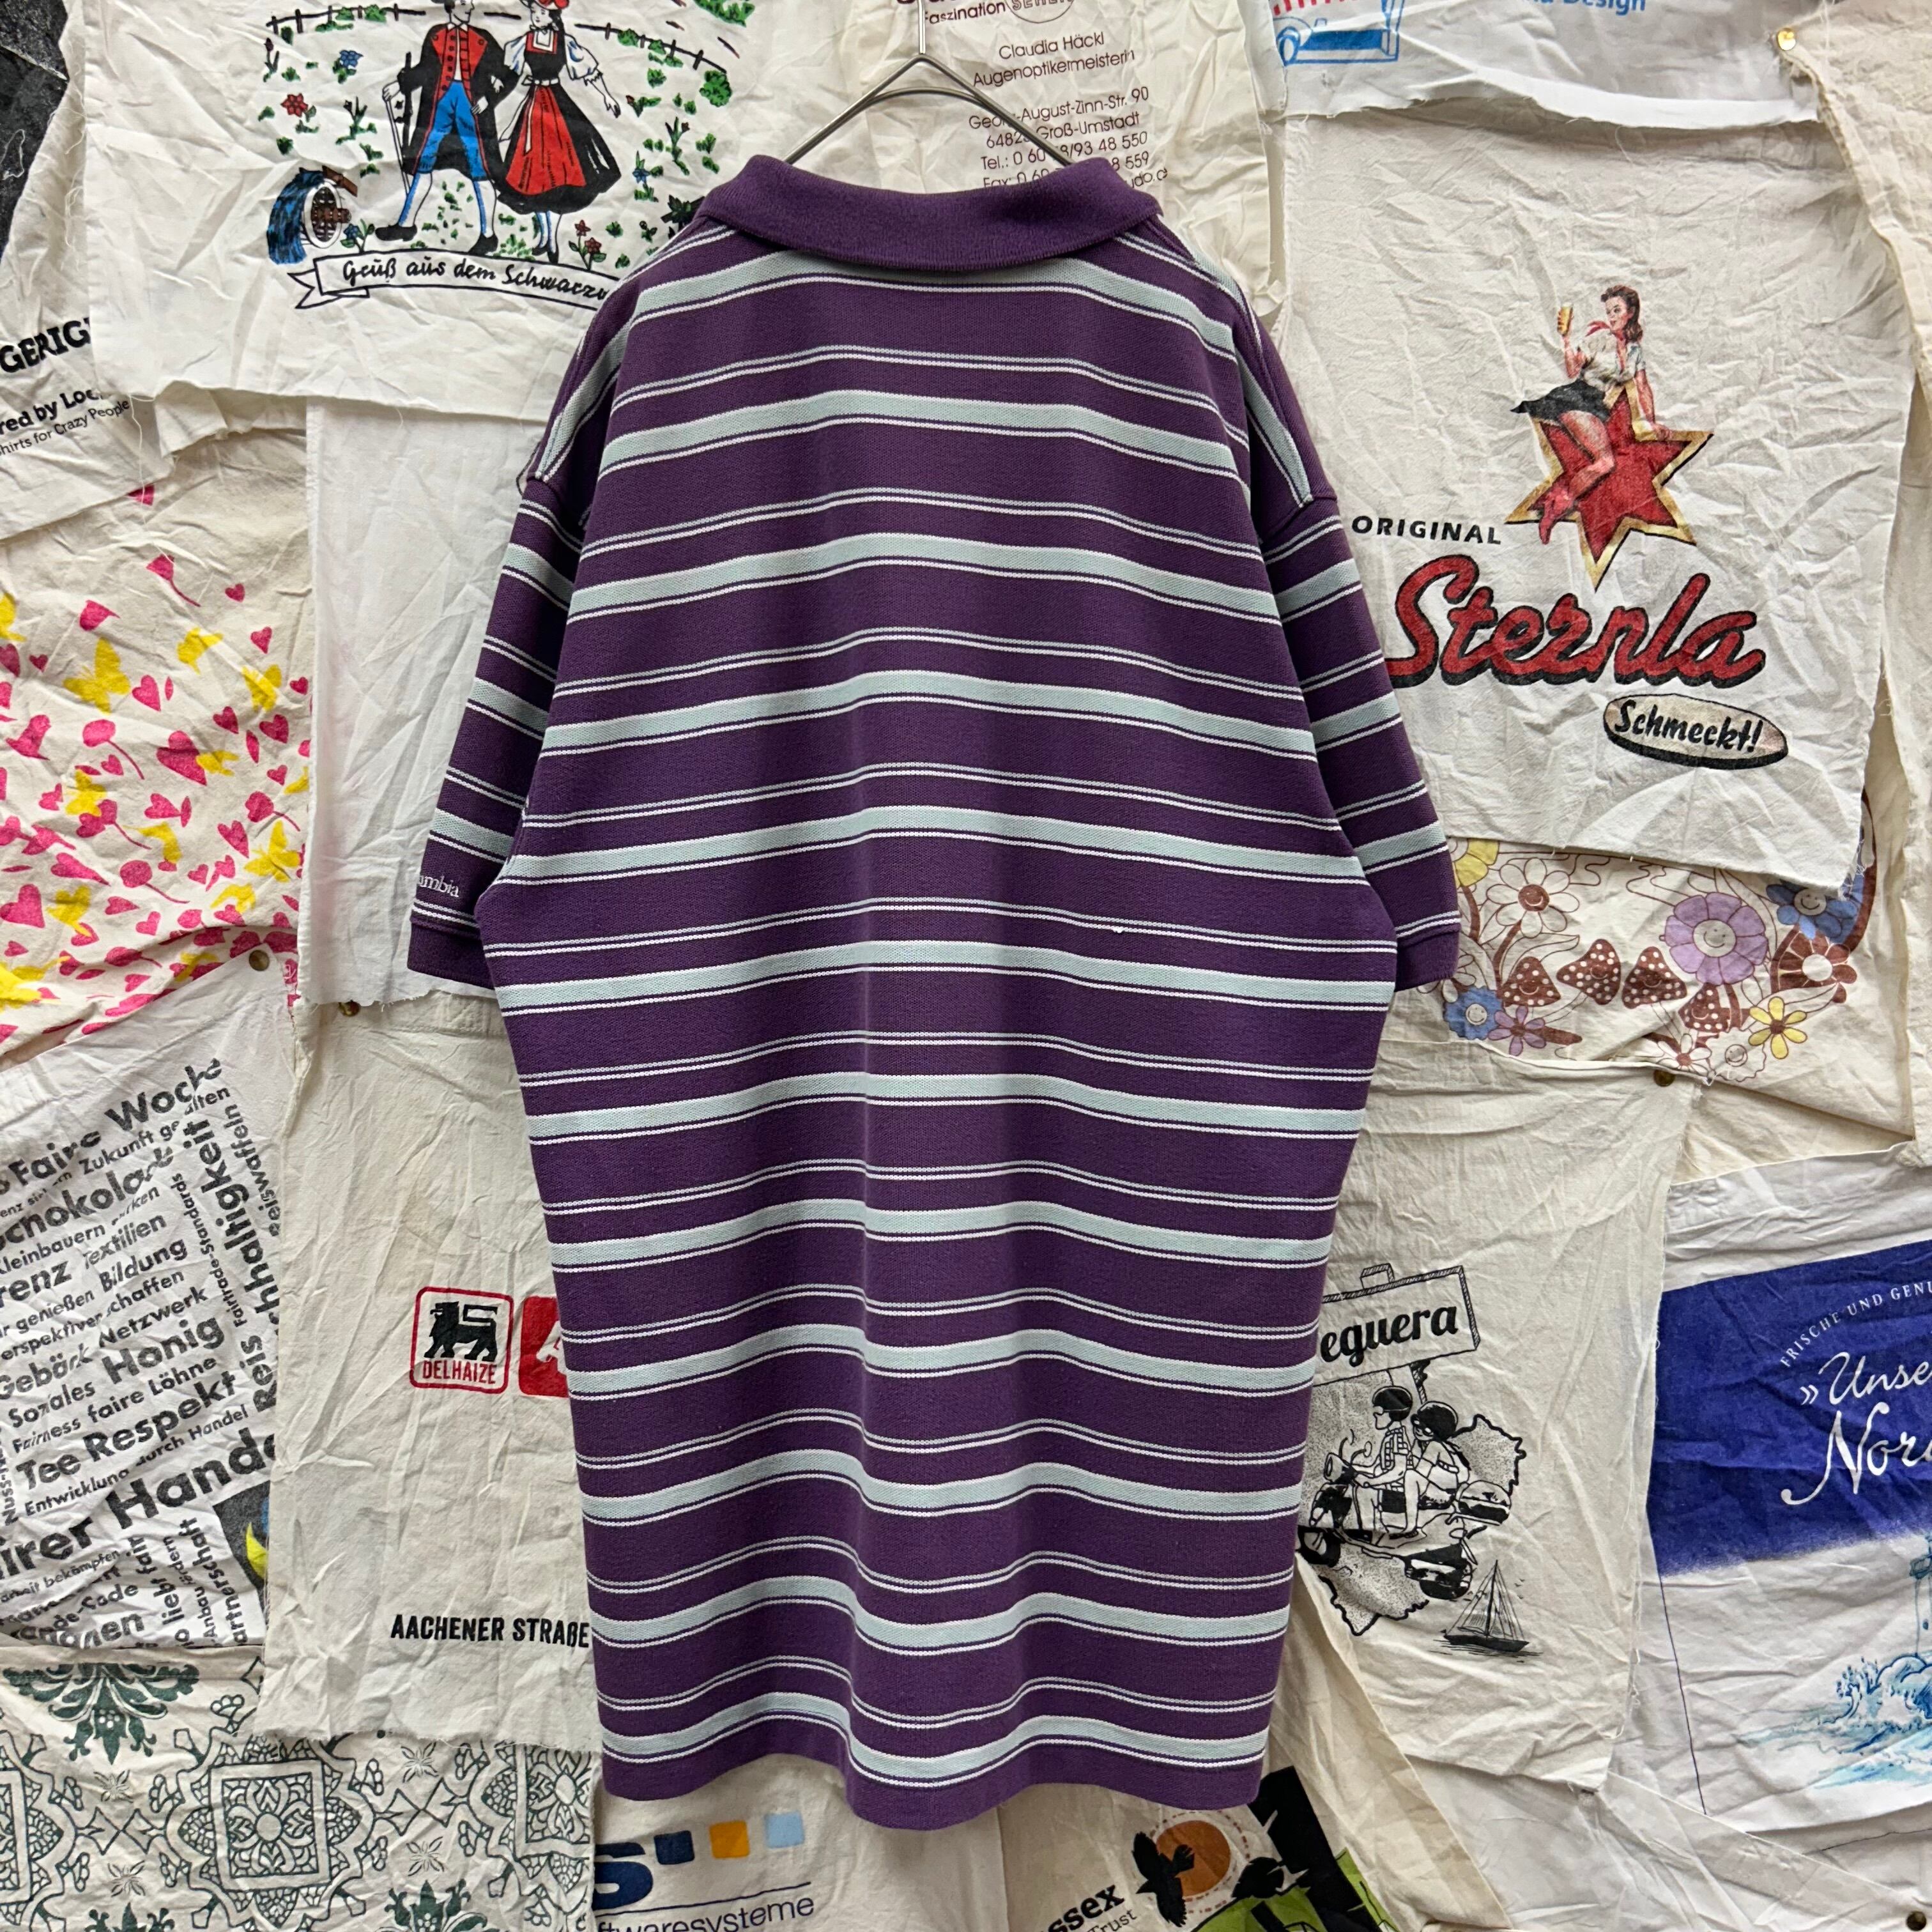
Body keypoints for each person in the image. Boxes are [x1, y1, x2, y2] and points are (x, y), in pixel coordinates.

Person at [1514, 284, 1666, 544]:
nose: (1612, 316)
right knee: (1605, 462)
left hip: (1596, 405)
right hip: (1576, 398)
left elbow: (1642, 386)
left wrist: (1651, 422)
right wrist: (1566, 340)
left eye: (1617, 310)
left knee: (1606, 463)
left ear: (1631, 312)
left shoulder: (1635, 351)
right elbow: (1573, 370)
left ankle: (1557, 502)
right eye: (1609, 312)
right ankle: (1555, 508)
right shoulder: (1599, 339)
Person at [376, 0, 514, 256]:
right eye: (464, 2)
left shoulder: (483, 39)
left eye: (470, 2)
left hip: (472, 107)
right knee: (423, 161)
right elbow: (425, 70)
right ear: (451, 5)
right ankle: (406, 225)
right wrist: (400, 85)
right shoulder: (436, 34)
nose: (470, 7)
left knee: (480, 166)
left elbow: (510, 72)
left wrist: (489, 99)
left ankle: (488, 235)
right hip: (439, 105)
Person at [497, 0, 622, 264]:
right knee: (532, 175)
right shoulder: (525, 41)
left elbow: (589, 73)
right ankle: (544, 235)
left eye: (541, 12)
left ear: (553, 17)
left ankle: (552, 237)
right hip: (533, 108)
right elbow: (509, 72)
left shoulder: (564, 43)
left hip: (557, 107)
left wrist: (607, 96)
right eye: (534, 11)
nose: (535, 16)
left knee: (559, 173)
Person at [1347, 1384, 1423, 1538]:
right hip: (1389, 1491)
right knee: (1354, 1486)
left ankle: (1368, 1532)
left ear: (1391, 1414)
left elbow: (1399, 1471)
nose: (1375, 1418)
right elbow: (1377, 1467)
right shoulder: (1391, 1437)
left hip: (1398, 1495)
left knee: (1363, 1491)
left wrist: (1371, 1482)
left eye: (1378, 1414)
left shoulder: (1398, 1438)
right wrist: (1354, 1470)